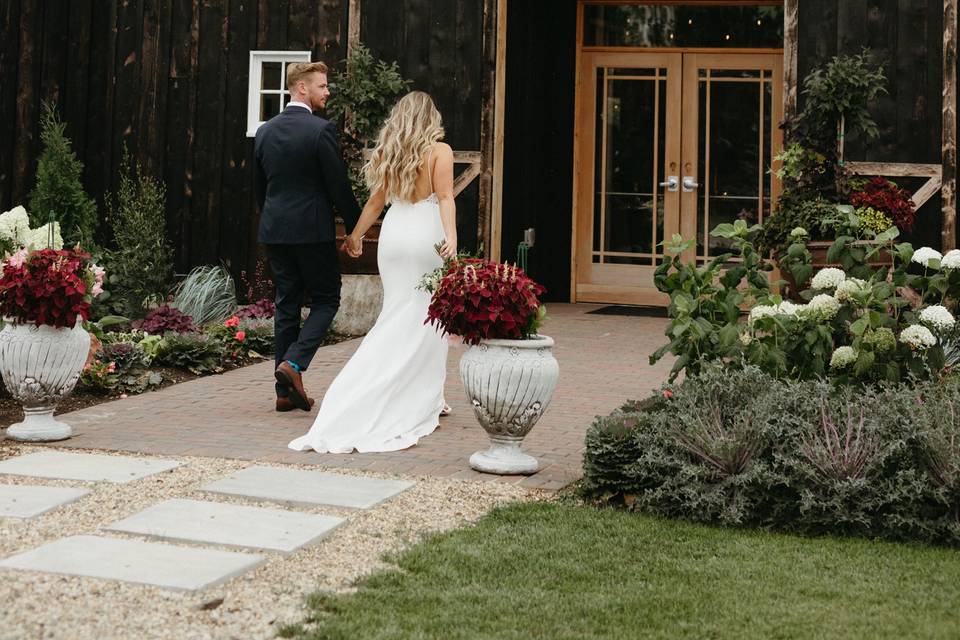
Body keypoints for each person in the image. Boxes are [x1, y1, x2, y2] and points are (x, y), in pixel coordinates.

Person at [288, 91, 457, 453]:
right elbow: (445, 198)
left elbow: (376, 202)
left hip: (393, 238)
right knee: (428, 315)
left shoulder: (390, 152)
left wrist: (356, 235)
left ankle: (425, 393)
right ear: (431, 118)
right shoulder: (440, 151)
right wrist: (452, 238)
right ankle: (426, 396)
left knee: (396, 312)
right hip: (425, 235)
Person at [254, 61, 361, 412]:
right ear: (302, 88)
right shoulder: (321, 130)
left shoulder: (265, 131)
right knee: (327, 299)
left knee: (286, 303)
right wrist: (355, 227)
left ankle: (283, 394)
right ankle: (295, 363)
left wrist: (273, 219)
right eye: (322, 86)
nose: (327, 92)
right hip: (312, 232)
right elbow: (338, 187)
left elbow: (260, 189)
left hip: (275, 230)